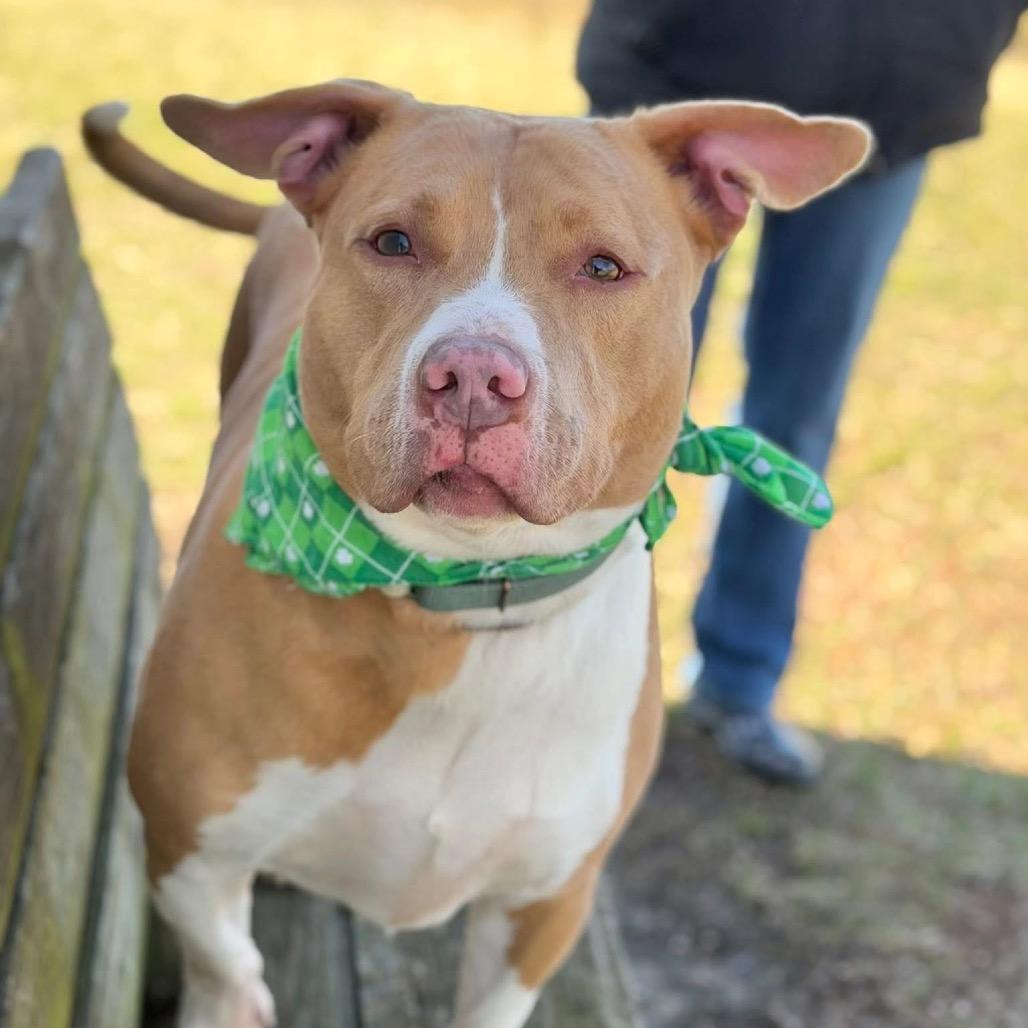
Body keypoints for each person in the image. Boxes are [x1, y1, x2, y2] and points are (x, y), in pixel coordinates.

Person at [578, 0, 1026, 784]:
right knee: (600, 398)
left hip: (888, 110)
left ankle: (739, 682)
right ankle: (574, 678)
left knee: (800, 410)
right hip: (673, 100)